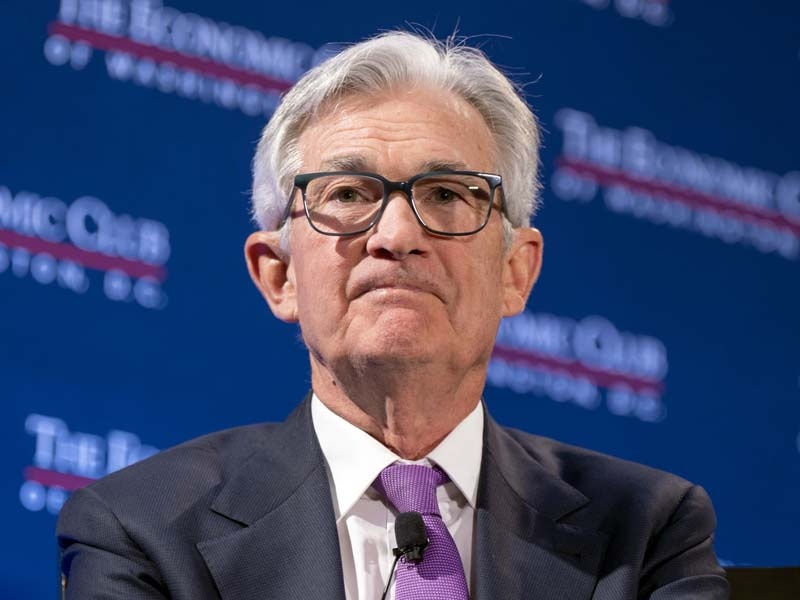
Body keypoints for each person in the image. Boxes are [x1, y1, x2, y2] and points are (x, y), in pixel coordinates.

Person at [56, 31, 729, 599]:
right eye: (349, 193)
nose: (398, 234)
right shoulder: (141, 530)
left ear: (515, 273)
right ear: (279, 274)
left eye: (447, 194)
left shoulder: (646, 530)